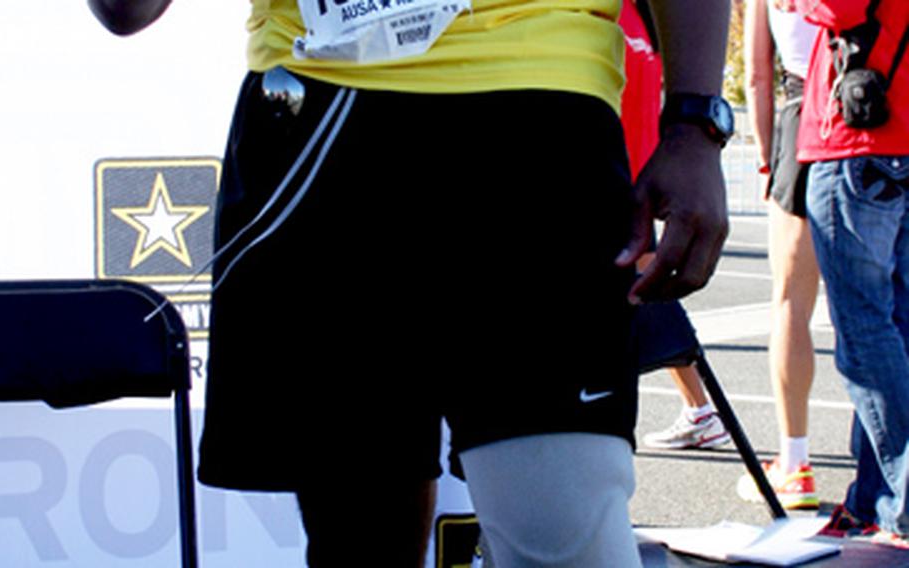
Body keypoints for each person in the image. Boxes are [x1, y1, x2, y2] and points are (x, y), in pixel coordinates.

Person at [89, 0, 732, 566]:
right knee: (360, 540)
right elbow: (126, 11)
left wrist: (695, 123)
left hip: (536, 119)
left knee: (565, 536)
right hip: (321, 117)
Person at [794, 0, 909, 548]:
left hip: (861, 137)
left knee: (865, 335)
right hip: (895, 134)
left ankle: (900, 498)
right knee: (896, 330)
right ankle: (874, 501)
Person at [623, 0, 732, 452]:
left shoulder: (621, 22)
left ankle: (701, 409)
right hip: (635, 182)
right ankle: (700, 409)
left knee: (649, 300)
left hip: (629, 186)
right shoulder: (638, 24)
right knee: (650, 299)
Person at [735, 0, 822, 510]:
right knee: (884, 309)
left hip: (802, 114)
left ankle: (795, 461)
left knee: (791, 301)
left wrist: (767, 158)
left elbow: (757, 77)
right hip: (880, 114)